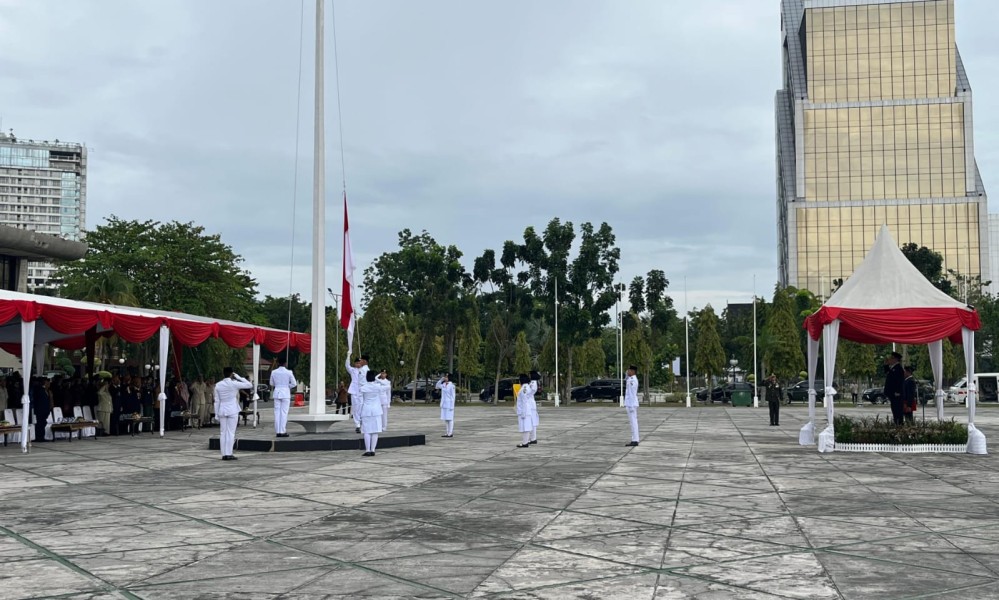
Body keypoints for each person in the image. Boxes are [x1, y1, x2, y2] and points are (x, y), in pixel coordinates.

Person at [213, 367, 253, 461]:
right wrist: (239, 377)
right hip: (232, 410)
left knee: (223, 432)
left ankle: (224, 454)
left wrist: (216, 414)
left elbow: (216, 401)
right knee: (230, 433)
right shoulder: (234, 383)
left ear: (223, 373)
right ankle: (229, 453)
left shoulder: (218, 385)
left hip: (222, 409)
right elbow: (249, 385)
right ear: (232, 374)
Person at [359, 370, 389, 456]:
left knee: (367, 431)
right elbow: (388, 386)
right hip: (376, 410)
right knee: (375, 431)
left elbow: (360, 401)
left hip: (366, 410)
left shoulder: (363, 387)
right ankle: (373, 450)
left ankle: (367, 450)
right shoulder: (377, 387)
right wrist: (378, 379)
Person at [269, 357, 297, 438]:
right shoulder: (289, 372)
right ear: (285, 363)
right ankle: (282, 431)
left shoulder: (274, 372)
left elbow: (271, 383)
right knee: (284, 413)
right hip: (285, 393)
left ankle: (278, 431)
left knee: (277, 413)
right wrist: (287, 386)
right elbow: (294, 383)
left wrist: (278, 385)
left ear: (278, 363)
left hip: (277, 392)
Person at [346, 355, 370, 434]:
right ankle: (357, 424)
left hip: (362, 391)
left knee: (362, 407)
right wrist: (348, 356)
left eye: (360, 362)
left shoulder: (365, 370)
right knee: (355, 407)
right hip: (354, 390)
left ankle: (362, 423)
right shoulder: (353, 370)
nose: (358, 364)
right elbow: (347, 366)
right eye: (357, 363)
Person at [884, 351, 905, 425]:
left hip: (896, 394)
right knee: (894, 411)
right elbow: (887, 373)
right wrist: (886, 365)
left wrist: (898, 392)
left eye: (891, 358)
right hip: (892, 393)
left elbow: (899, 381)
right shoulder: (893, 368)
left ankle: (899, 425)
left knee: (897, 411)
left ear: (895, 359)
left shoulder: (898, 368)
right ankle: (897, 424)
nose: (889, 359)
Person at [31, 377, 52, 442]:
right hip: (40, 410)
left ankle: (41, 436)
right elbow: (38, 401)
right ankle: (39, 437)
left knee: (42, 423)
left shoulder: (47, 391)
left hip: (45, 410)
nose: (49, 384)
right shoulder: (40, 390)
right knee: (40, 423)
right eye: (47, 383)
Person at [515, 374, 533, 448]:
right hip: (526, 410)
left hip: (524, 411)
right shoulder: (526, 387)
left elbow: (524, 401)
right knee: (526, 427)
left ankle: (525, 443)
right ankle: (525, 441)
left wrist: (523, 413)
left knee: (525, 427)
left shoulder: (524, 389)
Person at [624, 365, 640, 446]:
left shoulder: (632, 380)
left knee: (633, 422)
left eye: (629, 370)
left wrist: (631, 405)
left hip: (631, 404)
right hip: (631, 403)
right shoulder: (631, 379)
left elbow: (631, 394)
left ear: (633, 371)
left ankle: (635, 440)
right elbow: (626, 379)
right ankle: (635, 439)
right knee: (633, 422)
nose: (628, 371)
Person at [436, 373, 456, 438]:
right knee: (446, 419)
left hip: (449, 404)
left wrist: (452, 406)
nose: (445, 378)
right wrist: (441, 379)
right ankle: (447, 432)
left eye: (446, 377)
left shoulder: (452, 386)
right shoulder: (443, 385)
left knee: (450, 419)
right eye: (445, 377)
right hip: (444, 404)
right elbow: (437, 386)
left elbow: (453, 396)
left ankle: (450, 433)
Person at [527, 371, 541, 444]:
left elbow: (530, 392)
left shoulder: (533, 383)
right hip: (530, 403)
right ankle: (532, 438)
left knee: (532, 422)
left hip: (530, 404)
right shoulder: (532, 383)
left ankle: (533, 438)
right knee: (532, 422)